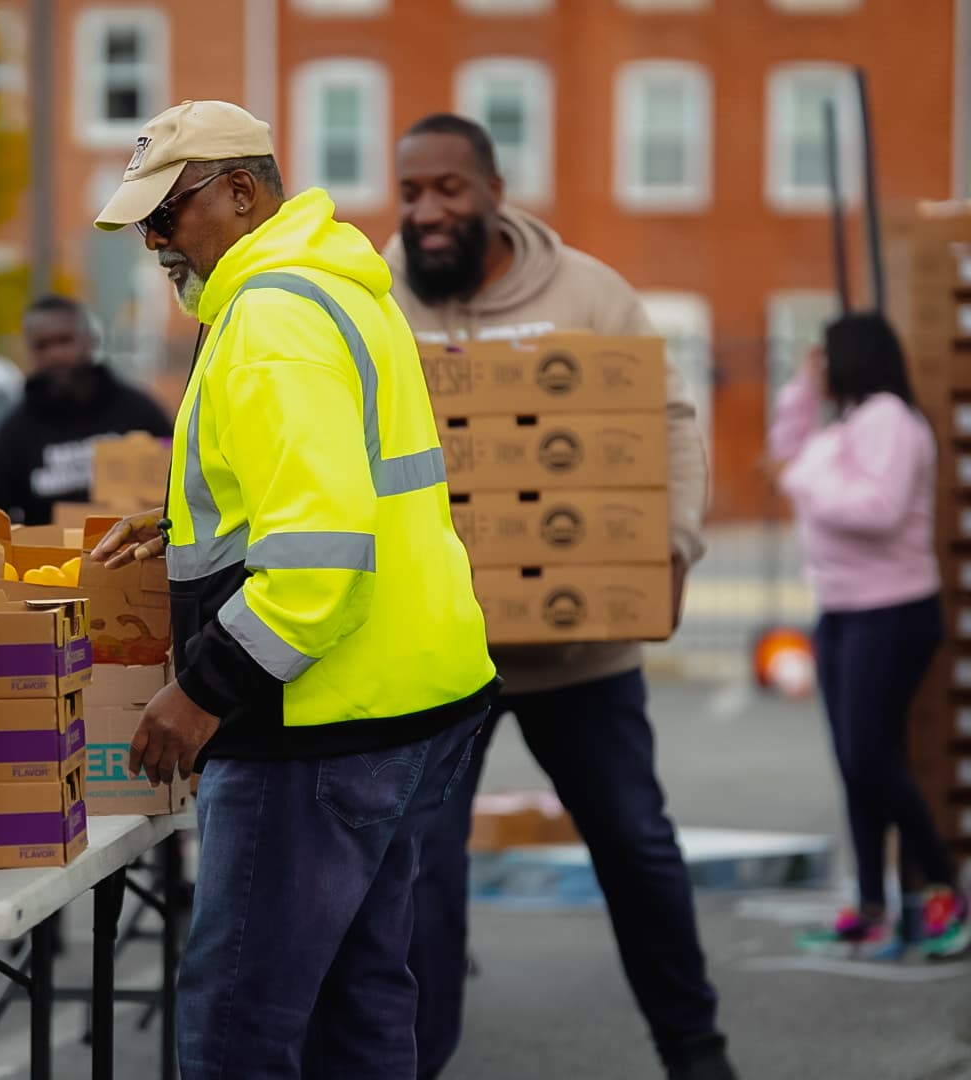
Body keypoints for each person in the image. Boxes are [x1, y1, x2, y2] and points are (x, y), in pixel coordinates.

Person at [88, 99, 499, 1079]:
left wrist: (199, 693)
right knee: (359, 999)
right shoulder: (334, 289)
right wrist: (188, 525)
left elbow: (316, 562)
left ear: (239, 192)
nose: (152, 239)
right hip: (400, 705)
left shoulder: (270, 319)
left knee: (241, 1021)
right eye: (140, 221)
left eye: (166, 212)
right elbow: (332, 491)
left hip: (314, 726)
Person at [386, 113, 734, 1080]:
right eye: (411, 193)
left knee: (635, 844)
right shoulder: (373, 300)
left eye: (448, 189)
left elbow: (663, 419)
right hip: (439, 658)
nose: (428, 211)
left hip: (582, 654)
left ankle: (694, 1047)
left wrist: (670, 547)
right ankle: (416, 1064)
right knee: (424, 876)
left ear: (494, 189)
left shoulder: (590, 294)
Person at [768, 312, 970, 959]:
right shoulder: (849, 422)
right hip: (843, 611)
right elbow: (786, 444)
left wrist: (801, 480)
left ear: (853, 357)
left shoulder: (887, 418)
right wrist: (801, 388)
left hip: (891, 611)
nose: (819, 368)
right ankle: (872, 908)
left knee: (868, 758)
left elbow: (876, 510)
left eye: (824, 358)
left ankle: (946, 886)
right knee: (855, 766)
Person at [0, 294, 172, 525]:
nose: (55, 354)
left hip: (133, 556)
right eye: (42, 346)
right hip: (49, 560)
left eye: (64, 340)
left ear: (90, 340)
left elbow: (181, 482)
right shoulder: (15, 434)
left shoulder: (139, 412)